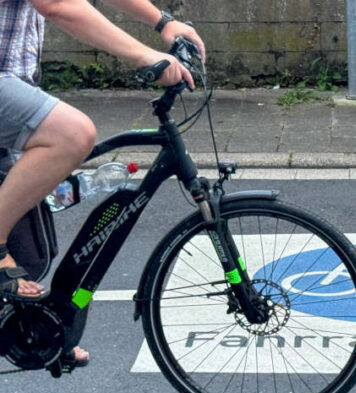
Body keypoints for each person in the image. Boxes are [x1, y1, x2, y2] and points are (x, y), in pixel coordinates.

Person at [0, 0, 205, 365]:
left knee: (29, 243)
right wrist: (144, 55)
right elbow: (57, 5)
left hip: (12, 80)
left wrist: (163, 22)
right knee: (71, 135)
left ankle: (33, 331)